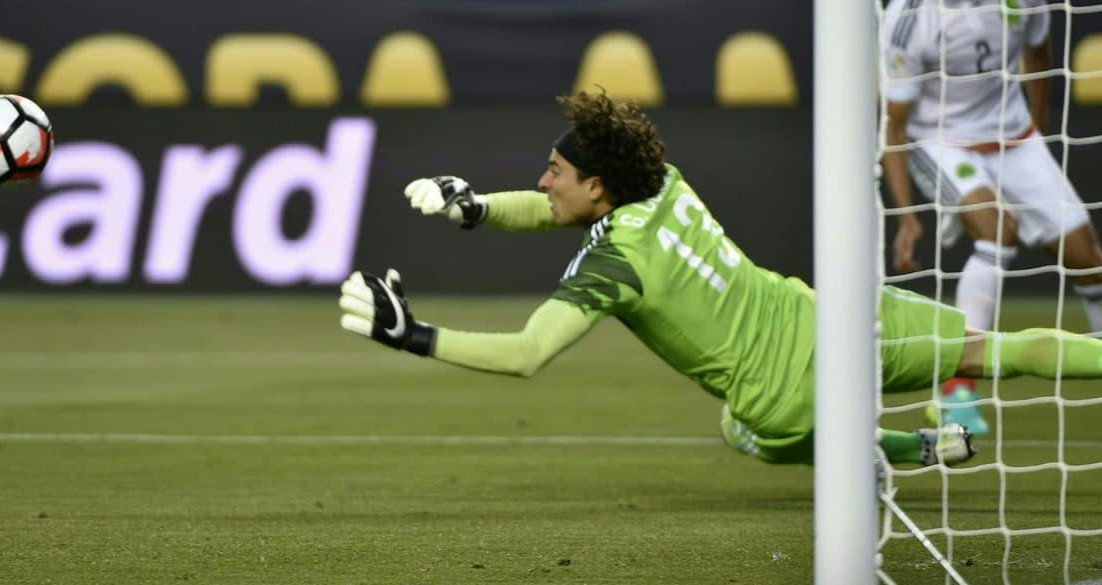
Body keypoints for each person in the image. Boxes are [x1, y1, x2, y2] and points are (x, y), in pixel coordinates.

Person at [337, 91, 1102, 470]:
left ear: (598, 186)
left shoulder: (612, 268)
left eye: (556, 171)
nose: (543, 182)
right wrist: (474, 206)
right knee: (993, 349)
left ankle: (917, 450)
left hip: (780, 399)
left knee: (742, 432)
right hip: (832, 321)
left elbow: (528, 352)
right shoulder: (665, 179)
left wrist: (416, 334)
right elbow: (545, 210)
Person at [881, 0, 1102, 437]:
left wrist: (1039, 127)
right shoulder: (910, 14)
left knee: (1087, 257)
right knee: (997, 227)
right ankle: (955, 398)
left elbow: (1038, 50)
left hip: (1013, 135)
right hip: (940, 141)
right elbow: (896, 127)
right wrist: (907, 218)